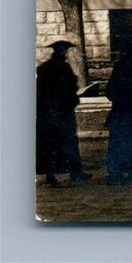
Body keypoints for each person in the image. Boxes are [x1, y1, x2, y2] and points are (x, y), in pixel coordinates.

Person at [36, 39, 88, 186]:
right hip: (55, 110)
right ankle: (52, 175)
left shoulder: (50, 68)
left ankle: (74, 171)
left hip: (59, 110)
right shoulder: (50, 69)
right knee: (54, 143)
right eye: (63, 50)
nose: (65, 53)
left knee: (67, 141)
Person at [104, 39, 132, 184]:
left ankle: (115, 173)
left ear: (123, 51)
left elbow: (110, 91)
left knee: (117, 143)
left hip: (121, 111)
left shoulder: (120, 66)